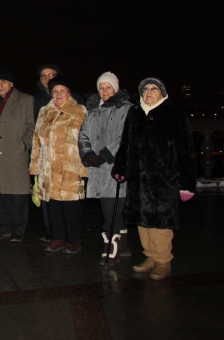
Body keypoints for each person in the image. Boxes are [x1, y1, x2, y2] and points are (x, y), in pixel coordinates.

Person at [111, 77, 196, 281]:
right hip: (138, 180)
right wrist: (120, 166)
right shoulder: (135, 113)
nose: (149, 92)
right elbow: (125, 144)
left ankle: (162, 260)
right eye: (145, 89)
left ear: (163, 93)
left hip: (164, 181)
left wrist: (186, 184)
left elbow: (186, 151)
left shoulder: (175, 115)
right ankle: (149, 256)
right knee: (142, 221)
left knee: (160, 223)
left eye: (154, 89)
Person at [78, 72, 133, 265]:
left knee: (111, 210)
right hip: (97, 170)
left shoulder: (126, 110)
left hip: (116, 168)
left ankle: (111, 249)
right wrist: (88, 154)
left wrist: (105, 155)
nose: (104, 91)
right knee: (108, 208)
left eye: (108, 87)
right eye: (101, 87)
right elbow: (83, 135)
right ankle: (123, 244)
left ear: (115, 88)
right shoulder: (93, 111)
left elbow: (126, 136)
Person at [29, 74, 88, 254]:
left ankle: (74, 239)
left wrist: (83, 169)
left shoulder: (79, 111)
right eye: (55, 91)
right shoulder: (44, 112)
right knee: (53, 206)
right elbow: (36, 140)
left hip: (70, 167)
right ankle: (58, 237)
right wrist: (35, 166)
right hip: (48, 168)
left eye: (62, 90)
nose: (58, 94)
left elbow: (85, 140)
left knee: (70, 207)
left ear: (69, 93)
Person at [0, 69, 35, 242]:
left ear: (11, 83)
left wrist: (23, 144)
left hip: (16, 154)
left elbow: (31, 127)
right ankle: (2, 228)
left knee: (18, 196)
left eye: (3, 81)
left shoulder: (25, 99)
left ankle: (18, 229)